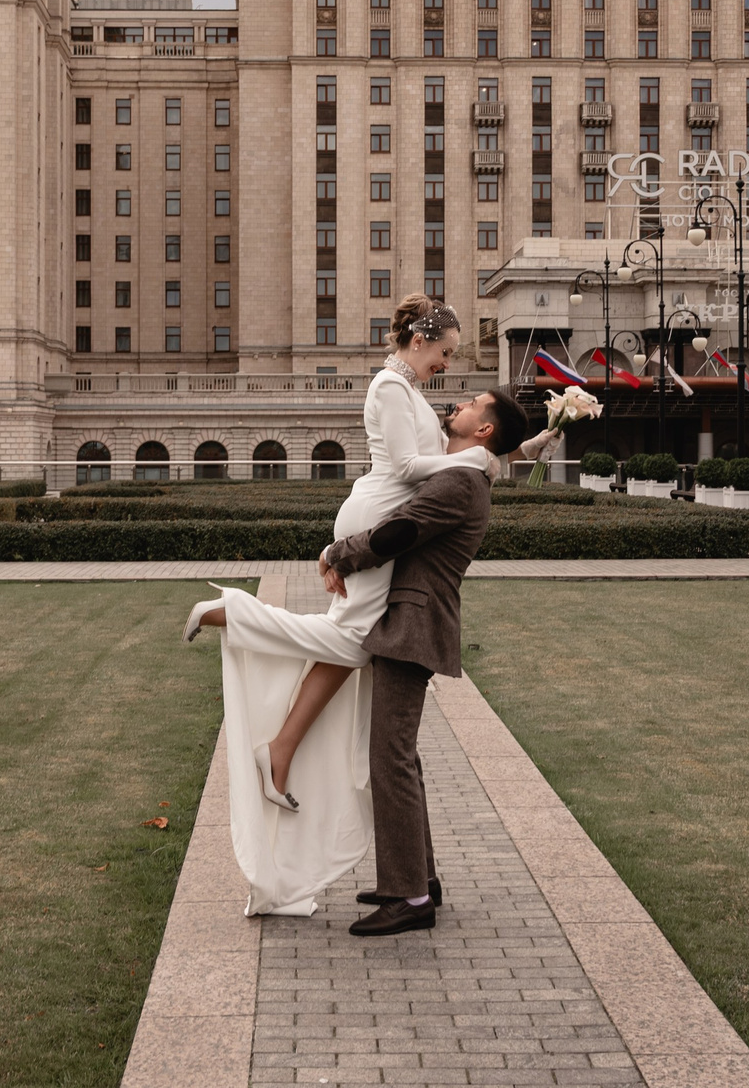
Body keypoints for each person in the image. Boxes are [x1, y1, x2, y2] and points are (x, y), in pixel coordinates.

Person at [183, 296, 551, 916]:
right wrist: (342, 551)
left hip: (406, 603)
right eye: (447, 351)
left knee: (370, 703)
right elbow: (417, 472)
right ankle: (410, 881)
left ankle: (408, 883)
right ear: (421, 340)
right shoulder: (398, 394)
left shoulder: (454, 455)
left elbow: (445, 475)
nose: (451, 372)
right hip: (383, 530)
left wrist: (518, 446)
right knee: (361, 677)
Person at [321, 384, 533, 936]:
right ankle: (420, 878)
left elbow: (400, 531)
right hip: (413, 622)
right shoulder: (468, 471)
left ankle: (408, 897)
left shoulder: (460, 481)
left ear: (484, 429)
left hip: (412, 625)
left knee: (388, 758)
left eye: (470, 406)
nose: (458, 406)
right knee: (400, 756)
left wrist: (336, 553)